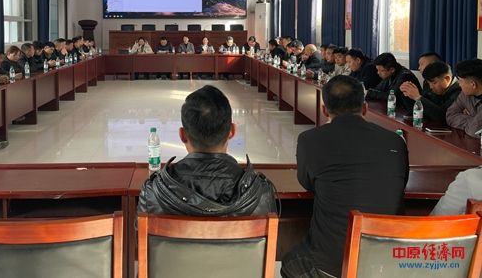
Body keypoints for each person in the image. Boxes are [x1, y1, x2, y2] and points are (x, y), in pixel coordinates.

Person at [280, 75, 409, 278]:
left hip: (329, 268)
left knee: (291, 263)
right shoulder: (395, 141)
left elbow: (307, 182)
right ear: (365, 108)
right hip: (386, 264)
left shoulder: (310, 139)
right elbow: (400, 183)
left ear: (324, 110)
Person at [137, 85, 277, 216]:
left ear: (182, 135)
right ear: (232, 131)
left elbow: (141, 234)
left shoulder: (153, 192)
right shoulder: (260, 193)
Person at [446, 59, 482, 137]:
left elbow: (474, 131)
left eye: (460, 81)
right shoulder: (465, 94)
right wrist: (473, 120)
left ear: (473, 84)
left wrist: (474, 124)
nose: (459, 84)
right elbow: (450, 116)